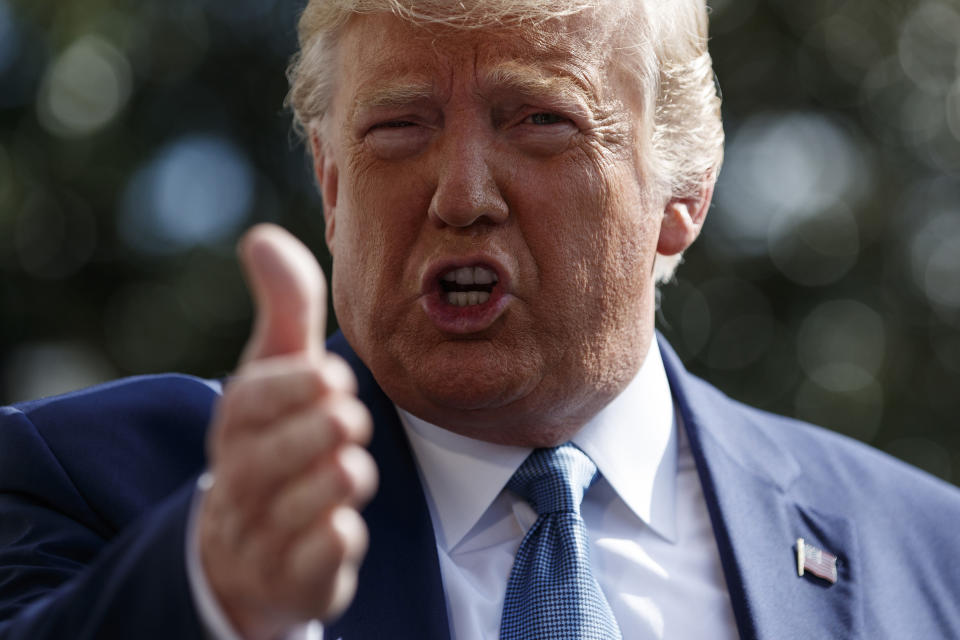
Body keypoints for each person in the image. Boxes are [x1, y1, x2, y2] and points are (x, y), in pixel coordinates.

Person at [1, 0, 959, 639]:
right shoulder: (101, 485)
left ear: (687, 194)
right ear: (331, 190)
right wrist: (215, 599)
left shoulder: (925, 558)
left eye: (540, 119)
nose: (462, 196)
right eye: (398, 127)